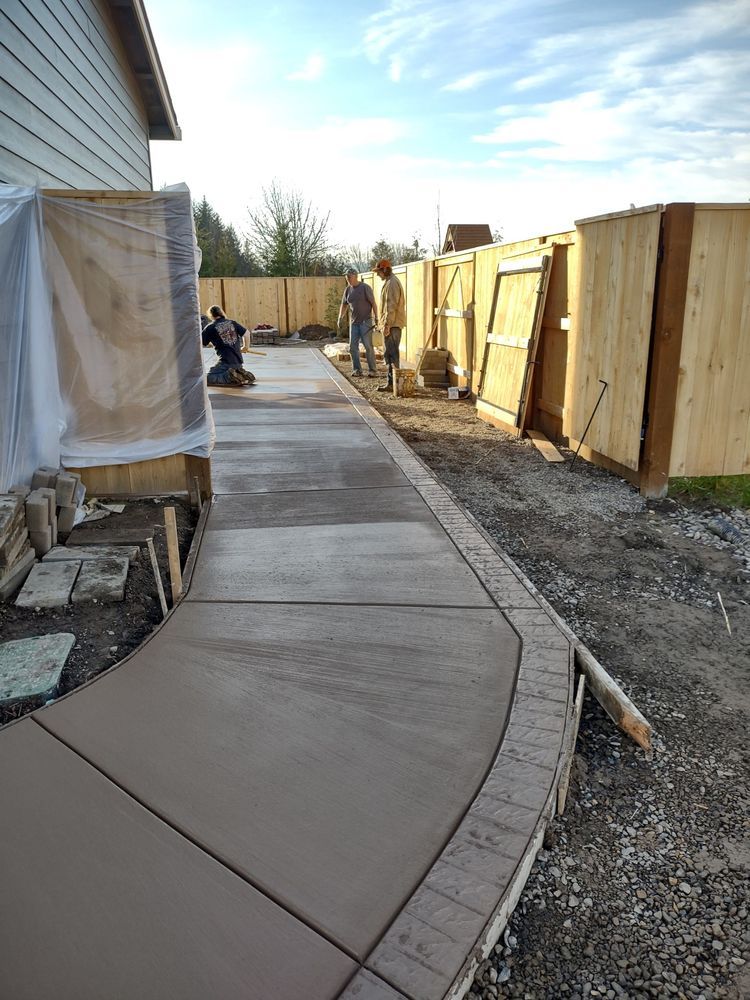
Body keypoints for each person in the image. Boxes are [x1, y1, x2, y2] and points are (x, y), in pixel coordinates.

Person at [337, 267, 378, 378]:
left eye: (349, 276)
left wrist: (377, 317)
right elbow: (344, 305)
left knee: (368, 346)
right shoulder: (347, 290)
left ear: (355, 276)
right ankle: (357, 369)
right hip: (354, 323)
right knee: (352, 347)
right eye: (346, 276)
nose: (347, 278)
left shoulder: (365, 288)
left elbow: (373, 303)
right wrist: (340, 318)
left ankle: (372, 370)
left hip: (366, 322)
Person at [201, 305, 255, 386]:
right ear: (221, 313)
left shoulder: (210, 327)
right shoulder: (232, 323)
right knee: (229, 368)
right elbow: (247, 333)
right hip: (238, 361)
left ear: (211, 315)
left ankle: (229, 377)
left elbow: (201, 343)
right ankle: (238, 372)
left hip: (225, 363)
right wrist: (245, 347)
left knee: (206, 379)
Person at [373, 259, 405, 391]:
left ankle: (393, 384)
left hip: (392, 325)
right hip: (393, 324)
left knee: (391, 354)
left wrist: (387, 325)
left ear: (385, 270)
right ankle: (394, 383)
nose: (377, 275)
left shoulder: (391, 283)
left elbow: (391, 306)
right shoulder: (390, 282)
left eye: (378, 271)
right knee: (391, 353)